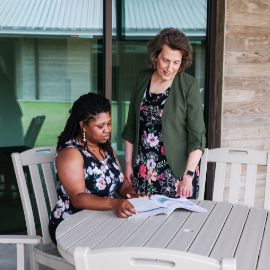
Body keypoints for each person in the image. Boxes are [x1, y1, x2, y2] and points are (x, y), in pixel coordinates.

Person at [123, 28, 206, 199]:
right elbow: (131, 126)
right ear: (155, 57)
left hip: (177, 174)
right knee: (144, 223)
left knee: (176, 224)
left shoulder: (188, 85)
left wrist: (188, 176)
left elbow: (197, 137)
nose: (170, 68)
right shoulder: (142, 79)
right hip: (144, 170)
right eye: (165, 60)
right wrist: (129, 164)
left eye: (176, 62)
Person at [49, 93, 139, 244]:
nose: (108, 130)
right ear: (83, 125)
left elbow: (121, 182)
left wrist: (131, 194)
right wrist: (114, 203)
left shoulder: (105, 148)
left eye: (109, 123)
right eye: (100, 126)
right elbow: (78, 198)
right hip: (73, 224)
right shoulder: (71, 153)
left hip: (104, 219)